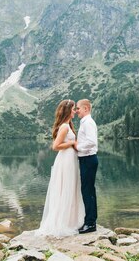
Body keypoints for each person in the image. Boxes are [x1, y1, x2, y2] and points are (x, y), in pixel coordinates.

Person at [36, 99, 85, 237]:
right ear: (68, 110)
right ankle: (64, 222)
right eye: (73, 108)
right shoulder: (64, 127)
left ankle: (71, 220)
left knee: (71, 187)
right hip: (66, 160)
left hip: (70, 159)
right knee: (66, 187)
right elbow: (55, 146)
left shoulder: (67, 126)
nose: (75, 111)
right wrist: (72, 142)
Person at [75, 98, 98, 234]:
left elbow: (91, 142)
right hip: (87, 159)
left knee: (87, 191)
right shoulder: (85, 122)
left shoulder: (88, 122)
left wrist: (77, 147)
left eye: (78, 108)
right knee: (89, 191)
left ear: (86, 109)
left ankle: (90, 223)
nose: (76, 111)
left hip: (88, 159)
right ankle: (90, 221)